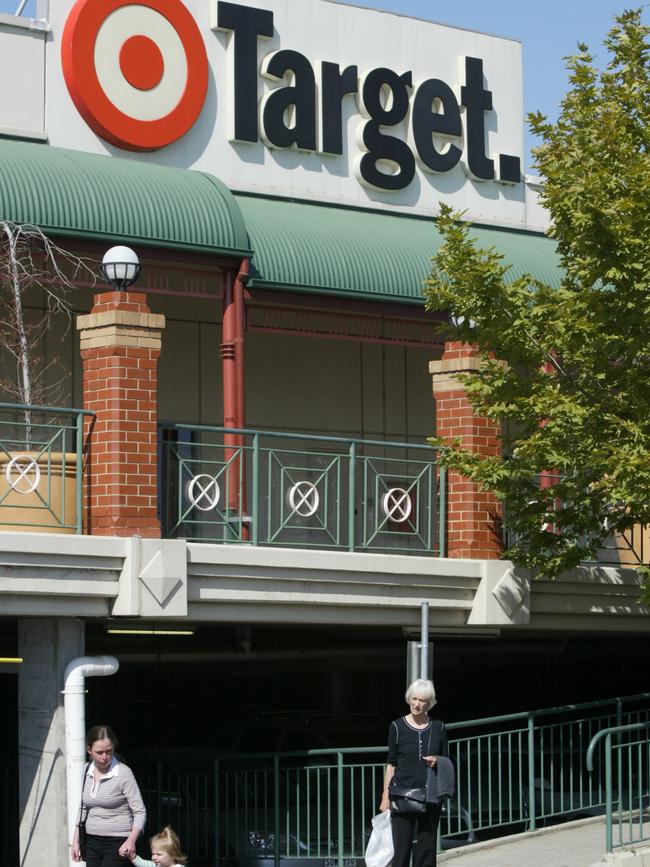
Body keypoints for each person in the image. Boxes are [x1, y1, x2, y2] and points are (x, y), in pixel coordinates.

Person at [379, 679, 448, 867]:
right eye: (414, 698)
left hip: (430, 796)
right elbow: (391, 764)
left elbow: (447, 761)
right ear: (408, 699)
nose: (417, 704)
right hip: (402, 795)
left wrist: (437, 761)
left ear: (430, 703)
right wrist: (385, 797)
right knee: (401, 851)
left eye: (422, 700)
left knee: (427, 850)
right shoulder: (397, 726)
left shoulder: (439, 727)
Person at [71, 724, 147, 866]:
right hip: (91, 842)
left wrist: (131, 841)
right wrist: (75, 842)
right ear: (89, 750)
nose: (105, 757)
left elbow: (140, 811)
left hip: (118, 842)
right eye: (99, 752)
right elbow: (83, 808)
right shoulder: (86, 770)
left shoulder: (124, 773)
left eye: (109, 751)